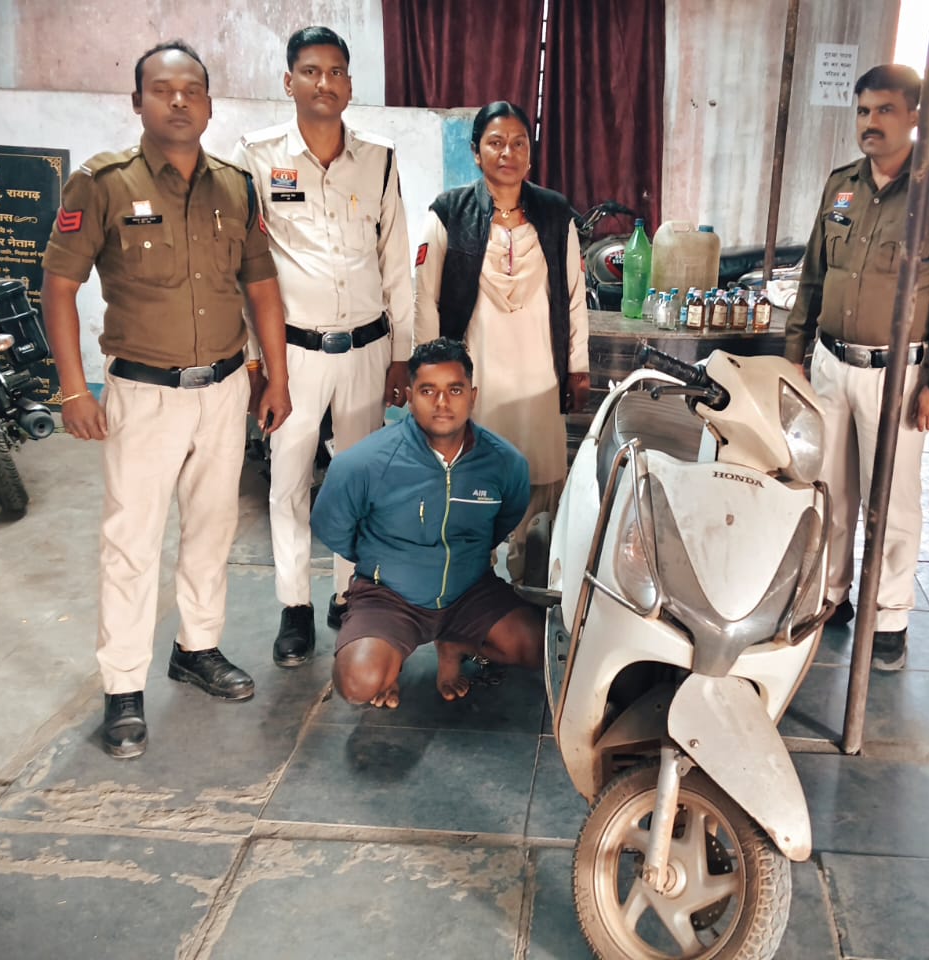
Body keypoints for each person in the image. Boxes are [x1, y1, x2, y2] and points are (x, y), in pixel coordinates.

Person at [40, 41, 292, 758]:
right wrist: (72, 389)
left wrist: (275, 376)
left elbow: (261, 287)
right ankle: (123, 687)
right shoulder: (102, 184)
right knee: (132, 542)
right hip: (142, 394)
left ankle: (197, 648)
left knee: (213, 528)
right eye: (162, 89)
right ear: (138, 102)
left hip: (224, 388)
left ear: (209, 105)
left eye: (192, 90)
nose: (178, 100)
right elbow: (59, 288)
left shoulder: (236, 187)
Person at [784, 64, 929, 671]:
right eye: (864, 111)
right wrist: (795, 353)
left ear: (915, 116)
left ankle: (889, 616)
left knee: (890, 502)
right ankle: (831, 595)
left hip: (897, 375)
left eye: (885, 110)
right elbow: (815, 273)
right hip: (830, 365)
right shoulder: (841, 185)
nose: (871, 123)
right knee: (827, 490)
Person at [232, 26, 415, 668]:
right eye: (311, 71)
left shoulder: (379, 159)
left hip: (367, 349)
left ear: (349, 84)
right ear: (290, 82)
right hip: (294, 355)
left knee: (359, 478)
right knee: (288, 480)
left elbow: (396, 262)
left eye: (336, 72)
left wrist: (401, 353)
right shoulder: (257, 156)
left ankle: (346, 594)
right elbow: (246, 269)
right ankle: (294, 607)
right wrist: (256, 364)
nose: (324, 83)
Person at [310, 337, 543, 707]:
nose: (442, 403)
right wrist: (386, 560)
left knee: (536, 648)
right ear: (409, 396)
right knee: (357, 684)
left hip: (470, 592)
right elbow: (331, 527)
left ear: (473, 396)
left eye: (455, 390)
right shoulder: (364, 463)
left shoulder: (505, 463)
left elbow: (503, 521)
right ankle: (390, 657)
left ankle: (454, 645)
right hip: (389, 597)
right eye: (428, 390)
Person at [414, 101, 589, 580]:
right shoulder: (448, 213)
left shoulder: (555, 214)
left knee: (539, 483)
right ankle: (474, 588)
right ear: (476, 152)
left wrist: (577, 368)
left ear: (530, 154)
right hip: (479, 376)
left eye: (518, 143)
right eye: (495, 142)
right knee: (473, 480)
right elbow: (425, 298)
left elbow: (575, 297)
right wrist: (428, 379)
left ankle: (531, 588)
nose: (507, 152)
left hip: (540, 376)